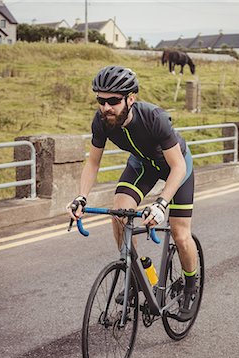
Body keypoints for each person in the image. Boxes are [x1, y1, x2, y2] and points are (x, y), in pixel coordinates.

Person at [67, 65, 198, 321]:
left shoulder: (153, 118)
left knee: (181, 234)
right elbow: (93, 163)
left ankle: (191, 286)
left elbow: (178, 166)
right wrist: (81, 197)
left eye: (113, 101)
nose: (106, 107)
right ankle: (134, 276)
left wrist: (161, 204)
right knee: (119, 212)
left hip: (176, 166)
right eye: (101, 100)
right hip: (142, 166)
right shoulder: (102, 122)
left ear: (130, 98)